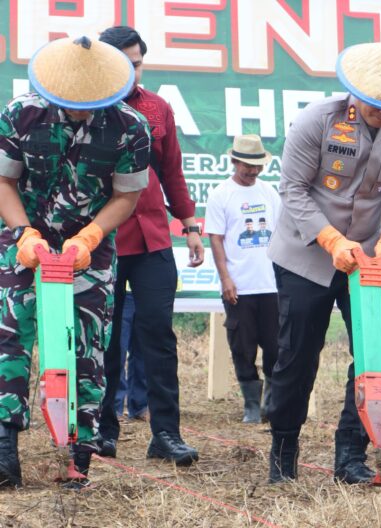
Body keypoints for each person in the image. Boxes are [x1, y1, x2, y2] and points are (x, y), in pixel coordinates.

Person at [265, 41, 381, 484]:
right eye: (374, 103)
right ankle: (284, 452)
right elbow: (293, 191)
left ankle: (351, 456)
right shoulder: (316, 121)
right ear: (356, 90)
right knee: (298, 357)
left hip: (367, 262)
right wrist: (331, 239)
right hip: (305, 257)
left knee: (371, 354)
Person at [0, 36, 150, 487]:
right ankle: (5, 445)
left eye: (91, 104)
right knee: (10, 336)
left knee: (86, 346)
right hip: (23, 240)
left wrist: (91, 235)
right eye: (73, 104)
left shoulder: (130, 126)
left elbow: (127, 195)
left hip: (91, 249)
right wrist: (24, 232)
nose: (82, 111)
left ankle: (78, 454)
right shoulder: (19, 115)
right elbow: (4, 182)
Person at [97, 26, 203, 466]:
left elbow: (172, 170)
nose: (130, 72)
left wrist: (190, 224)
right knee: (103, 339)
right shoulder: (86, 108)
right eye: (121, 63)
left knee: (158, 335)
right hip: (101, 241)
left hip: (154, 237)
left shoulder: (157, 107)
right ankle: (100, 431)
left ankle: (166, 435)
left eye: (136, 63)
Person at [205, 135, 281, 424]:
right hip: (240, 286)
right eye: (247, 165)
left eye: (257, 166)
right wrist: (226, 279)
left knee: (275, 346)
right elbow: (216, 239)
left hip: (271, 284)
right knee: (242, 347)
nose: (252, 171)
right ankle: (251, 405)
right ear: (234, 161)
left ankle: (271, 403)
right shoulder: (221, 194)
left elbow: (281, 232)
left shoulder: (269, 193)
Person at [113, 290, 149, 422]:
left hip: (145, 291)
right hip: (120, 290)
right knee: (118, 350)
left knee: (143, 350)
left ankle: (140, 405)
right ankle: (115, 407)